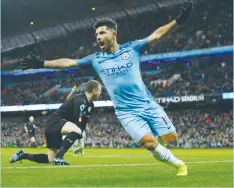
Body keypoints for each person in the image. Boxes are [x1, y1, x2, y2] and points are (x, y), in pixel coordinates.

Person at [20, 1, 194, 175]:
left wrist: (179, 21)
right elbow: (67, 63)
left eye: (102, 33)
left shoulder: (132, 49)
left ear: (114, 34)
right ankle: (179, 165)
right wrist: (41, 63)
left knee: (172, 140)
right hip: (126, 112)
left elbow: (156, 36)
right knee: (149, 143)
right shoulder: (95, 59)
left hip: (149, 104)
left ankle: (161, 147)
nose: (98, 37)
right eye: (96, 34)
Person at [10, 80, 101, 165]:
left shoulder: (90, 105)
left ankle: (23, 155)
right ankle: (60, 157)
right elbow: (78, 122)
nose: (100, 93)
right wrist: (80, 137)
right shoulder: (80, 100)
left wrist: (81, 142)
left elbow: (83, 123)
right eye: (99, 90)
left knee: (50, 159)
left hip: (59, 124)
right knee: (77, 130)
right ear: (95, 90)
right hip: (55, 121)